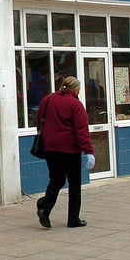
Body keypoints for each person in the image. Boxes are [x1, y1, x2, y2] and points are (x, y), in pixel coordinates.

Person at [36, 76, 95, 229]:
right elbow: (82, 130)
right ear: (75, 89)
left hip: (50, 148)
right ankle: (73, 219)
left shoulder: (47, 100)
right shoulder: (75, 104)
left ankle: (44, 207)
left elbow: (39, 120)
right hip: (70, 149)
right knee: (74, 183)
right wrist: (89, 151)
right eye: (79, 89)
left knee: (56, 179)